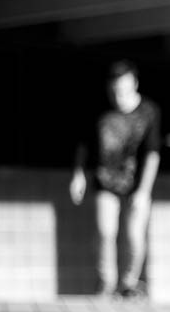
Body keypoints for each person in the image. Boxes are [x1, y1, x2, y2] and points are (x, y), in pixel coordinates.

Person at [69, 59, 162, 299]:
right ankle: (106, 284)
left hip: (136, 182)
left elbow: (152, 154)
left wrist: (144, 191)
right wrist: (78, 174)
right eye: (114, 91)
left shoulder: (149, 112)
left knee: (134, 233)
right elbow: (84, 144)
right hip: (105, 179)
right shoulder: (100, 109)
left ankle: (129, 282)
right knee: (105, 231)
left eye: (123, 90)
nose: (118, 96)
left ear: (135, 84)